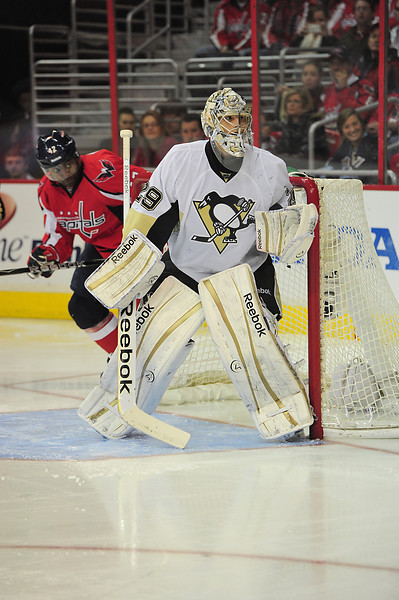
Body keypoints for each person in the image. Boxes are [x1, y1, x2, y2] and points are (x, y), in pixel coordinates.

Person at [79, 87, 315, 442]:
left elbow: (280, 231)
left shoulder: (271, 168)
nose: (237, 126)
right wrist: (131, 261)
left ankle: (288, 417)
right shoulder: (179, 160)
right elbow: (148, 219)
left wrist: (293, 229)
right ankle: (110, 411)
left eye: (242, 118)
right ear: (210, 122)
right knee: (150, 343)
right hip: (185, 271)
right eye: (228, 118)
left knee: (253, 347)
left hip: (244, 273)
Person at [27, 130, 151, 352]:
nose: (64, 175)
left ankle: (157, 351)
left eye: (68, 165)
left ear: (76, 156)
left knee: (142, 305)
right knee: (82, 307)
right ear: (44, 170)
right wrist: (47, 256)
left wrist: (153, 233)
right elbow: (58, 236)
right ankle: (124, 358)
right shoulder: (46, 192)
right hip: (99, 247)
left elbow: (150, 185)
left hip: (134, 245)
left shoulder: (103, 169)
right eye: (55, 170)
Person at [274, 87, 328, 168]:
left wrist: (284, 159)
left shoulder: (313, 124)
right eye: (289, 101)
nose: (291, 104)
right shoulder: (288, 124)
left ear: (305, 104)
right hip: (292, 164)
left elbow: (305, 154)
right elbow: (280, 148)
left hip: (313, 166)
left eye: (296, 101)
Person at [321, 46, 376, 123]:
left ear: (350, 65)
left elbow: (361, 115)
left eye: (340, 63)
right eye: (332, 64)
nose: (336, 67)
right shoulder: (328, 88)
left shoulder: (364, 86)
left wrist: (343, 89)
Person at [324, 107, 378, 183]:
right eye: (347, 127)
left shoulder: (372, 144)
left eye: (355, 124)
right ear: (341, 130)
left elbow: (367, 177)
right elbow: (332, 165)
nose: (352, 130)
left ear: (361, 124)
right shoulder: (346, 145)